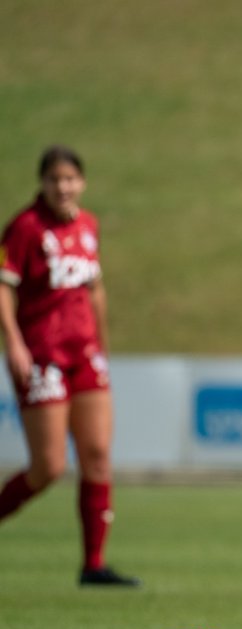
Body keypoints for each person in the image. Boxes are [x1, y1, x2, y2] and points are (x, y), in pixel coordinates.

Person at [0, 145, 137, 586]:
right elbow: (5, 290)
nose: (63, 186)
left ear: (82, 182)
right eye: (54, 179)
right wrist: (14, 344)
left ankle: (93, 565)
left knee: (97, 455)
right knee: (48, 467)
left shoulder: (88, 225)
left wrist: (102, 343)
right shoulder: (24, 228)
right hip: (43, 355)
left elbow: (95, 289)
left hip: (84, 354)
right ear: (42, 182)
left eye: (70, 178)